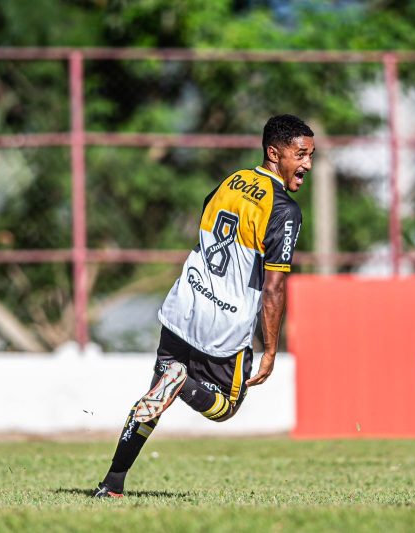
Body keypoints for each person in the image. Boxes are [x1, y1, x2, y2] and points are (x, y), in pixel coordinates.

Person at [93, 114, 314, 498]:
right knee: (225, 406)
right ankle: (182, 383)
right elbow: (274, 289)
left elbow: (206, 217)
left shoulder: (231, 181)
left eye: (311, 155)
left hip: (183, 306)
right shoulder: (284, 210)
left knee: (154, 397)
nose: (308, 164)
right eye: (301, 155)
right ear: (274, 153)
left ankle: (112, 483)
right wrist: (272, 349)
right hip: (223, 325)